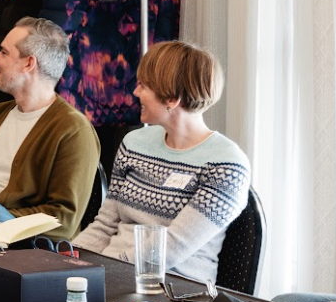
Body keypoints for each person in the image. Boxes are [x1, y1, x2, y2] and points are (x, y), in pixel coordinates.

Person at [71, 41, 249, 284]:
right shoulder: (134, 143)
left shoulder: (227, 164)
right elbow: (105, 225)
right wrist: (66, 262)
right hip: (110, 275)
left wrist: (100, 272)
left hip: (172, 288)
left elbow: (172, 247)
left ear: (172, 99)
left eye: (144, 86)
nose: (136, 92)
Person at [0, 18, 101, 239]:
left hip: (18, 248)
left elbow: (63, 220)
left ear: (28, 64)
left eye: (4, 53)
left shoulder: (73, 131)